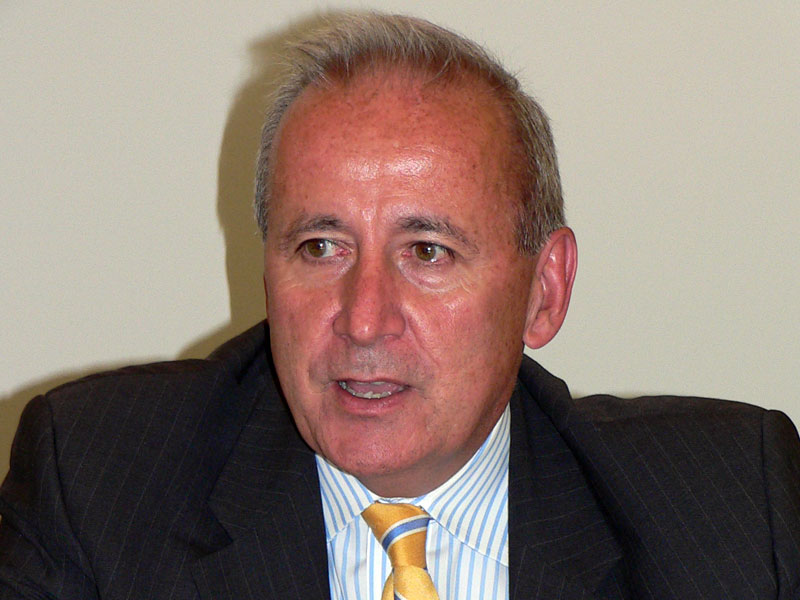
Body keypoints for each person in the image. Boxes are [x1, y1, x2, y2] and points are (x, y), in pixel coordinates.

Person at [1, 12, 798, 600]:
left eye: (427, 252)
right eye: (321, 247)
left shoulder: (732, 509)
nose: (363, 319)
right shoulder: (100, 486)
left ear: (545, 291)